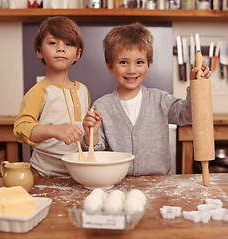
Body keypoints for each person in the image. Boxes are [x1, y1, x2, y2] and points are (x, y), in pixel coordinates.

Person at [82, 22, 211, 176]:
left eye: (139, 62)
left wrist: (196, 84)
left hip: (158, 185)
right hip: (117, 185)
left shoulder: (160, 99)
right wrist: (92, 135)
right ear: (110, 66)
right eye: (123, 62)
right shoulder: (101, 107)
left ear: (149, 65)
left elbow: (187, 114)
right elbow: (96, 154)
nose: (131, 70)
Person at [14, 16, 90, 177]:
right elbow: (21, 129)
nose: (60, 48)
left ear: (77, 54)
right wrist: (53, 130)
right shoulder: (39, 91)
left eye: (68, 44)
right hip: (43, 174)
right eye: (53, 43)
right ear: (39, 51)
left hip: (77, 174)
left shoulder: (83, 90)